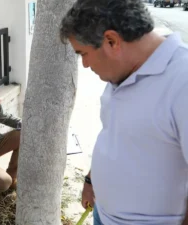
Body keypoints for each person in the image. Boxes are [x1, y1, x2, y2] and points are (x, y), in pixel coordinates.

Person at [60, 0, 188, 224]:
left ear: (112, 41)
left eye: (83, 54)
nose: (85, 65)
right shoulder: (122, 70)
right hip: (103, 214)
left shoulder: (182, 81)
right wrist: (91, 181)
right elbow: (116, 134)